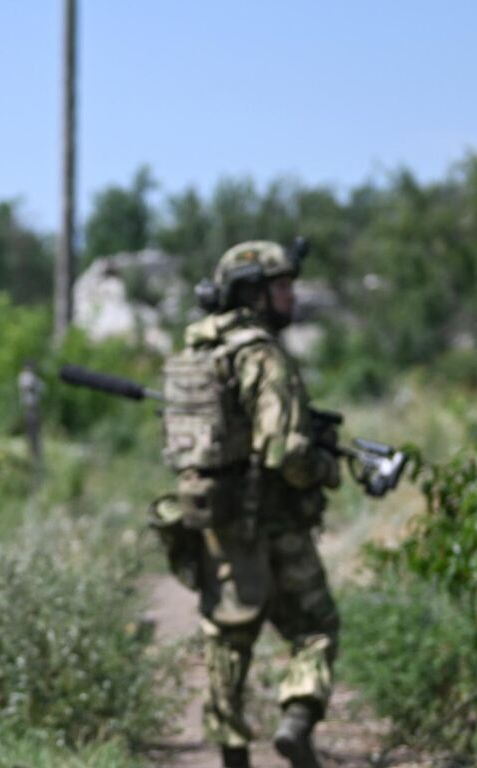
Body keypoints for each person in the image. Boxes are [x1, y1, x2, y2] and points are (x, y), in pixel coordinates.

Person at [159, 240, 340, 768]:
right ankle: (297, 720)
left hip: (214, 516)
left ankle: (232, 755)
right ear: (254, 295)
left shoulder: (200, 349)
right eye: (281, 286)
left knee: (227, 640)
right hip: (275, 516)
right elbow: (284, 451)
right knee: (315, 626)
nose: (291, 296)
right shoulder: (262, 353)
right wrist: (325, 469)